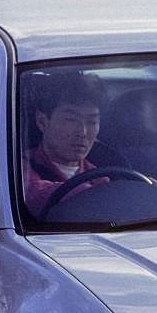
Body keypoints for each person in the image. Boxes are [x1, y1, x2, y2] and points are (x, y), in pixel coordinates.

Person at [22, 72, 108, 216]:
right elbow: (31, 193)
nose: (82, 132)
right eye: (70, 120)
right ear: (42, 121)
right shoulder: (18, 168)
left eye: (92, 122)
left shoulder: (103, 172)